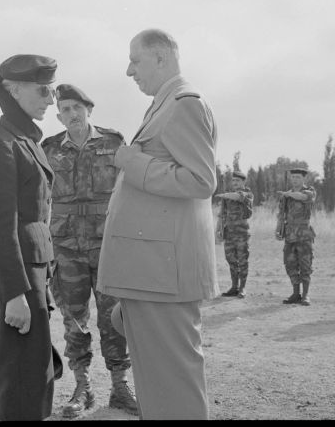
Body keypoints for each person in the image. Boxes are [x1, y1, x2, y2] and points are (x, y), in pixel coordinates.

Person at [97, 29, 219, 420]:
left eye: (136, 60)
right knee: (157, 382)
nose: (129, 70)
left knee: (175, 383)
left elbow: (201, 181)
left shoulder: (185, 104)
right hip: (152, 272)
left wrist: (132, 162)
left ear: (162, 59)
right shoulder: (164, 104)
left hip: (164, 273)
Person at [41, 84, 137, 418]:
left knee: (113, 317)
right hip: (66, 247)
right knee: (74, 320)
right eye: (65, 110)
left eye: (76, 108)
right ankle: (83, 388)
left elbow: (130, 190)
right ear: (58, 115)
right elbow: (40, 199)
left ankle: (120, 387)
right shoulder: (49, 149)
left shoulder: (112, 143)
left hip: (107, 245)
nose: (71, 115)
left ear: (89, 110)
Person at [0, 54, 59, 421]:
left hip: (32, 273)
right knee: (25, 380)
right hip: (19, 279)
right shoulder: (2, 145)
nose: (49, 99)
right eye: (43, 90)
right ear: (12, 90)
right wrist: (15, 294)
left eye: (51, 90)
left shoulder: (24, 139)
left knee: (26, 372)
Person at [275, 168, 316, 306]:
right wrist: (278, 228)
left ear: (303, 179)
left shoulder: (309, 191)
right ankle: (295, 293)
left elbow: (303, 197)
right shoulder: (286, 195)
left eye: (298, 177)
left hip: (304, 235)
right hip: (290, 235)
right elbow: (281, 213)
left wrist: (288, 194)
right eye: (293, 177)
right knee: (290, 263)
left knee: (305, 265)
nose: (295, 180)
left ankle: (305, 295)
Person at [217, 170, 253, 298]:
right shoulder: (227, 196)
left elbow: (238, 197)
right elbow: (222, 214)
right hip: (229, 233)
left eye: (237, 180)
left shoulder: (247, 193)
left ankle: (242, 288)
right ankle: (234, 287)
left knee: (242, 260)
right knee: (231, 260)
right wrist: (218, 229)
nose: (235, 182)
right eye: (233, 180)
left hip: (242, 234)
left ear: (244, 182)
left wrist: (224, 195)